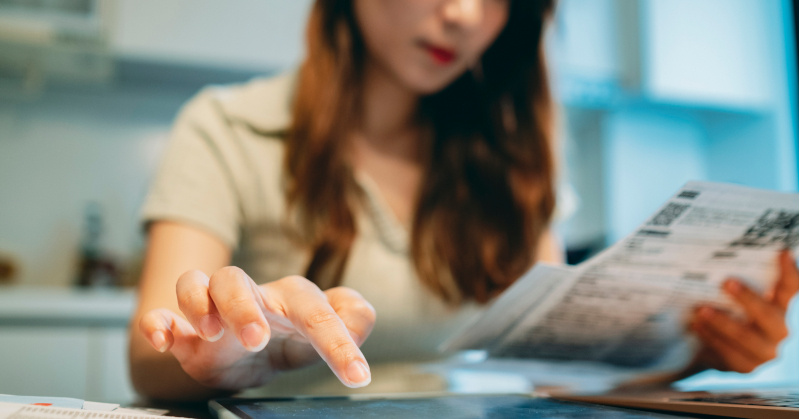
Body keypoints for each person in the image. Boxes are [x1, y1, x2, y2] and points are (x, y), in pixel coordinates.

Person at [128, 0, 799, 401]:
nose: (466, 14)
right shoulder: (224, 127)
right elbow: (151, 351)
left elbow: (549, 375)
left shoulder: (510, 160)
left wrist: (697, 354)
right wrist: (226, 348)